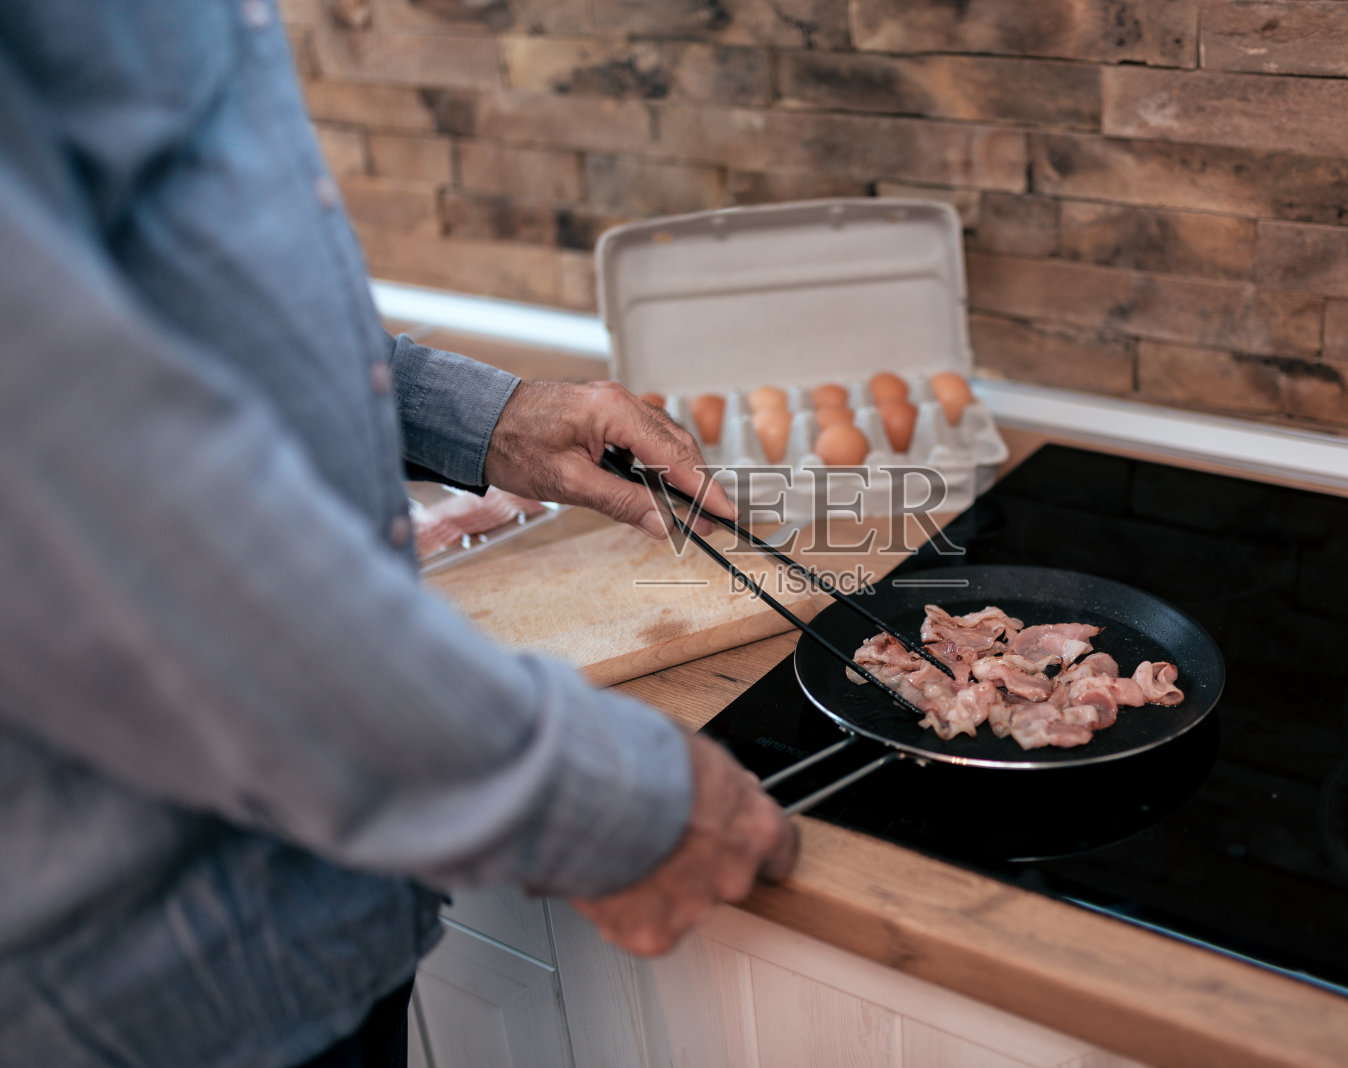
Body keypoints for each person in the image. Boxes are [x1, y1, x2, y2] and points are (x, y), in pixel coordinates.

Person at [0, 2, 797, 1066]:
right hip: (144, 994)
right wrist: (597, 801)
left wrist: (483, 418)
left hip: (296, 928)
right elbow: (79, 483)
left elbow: (166, 311)